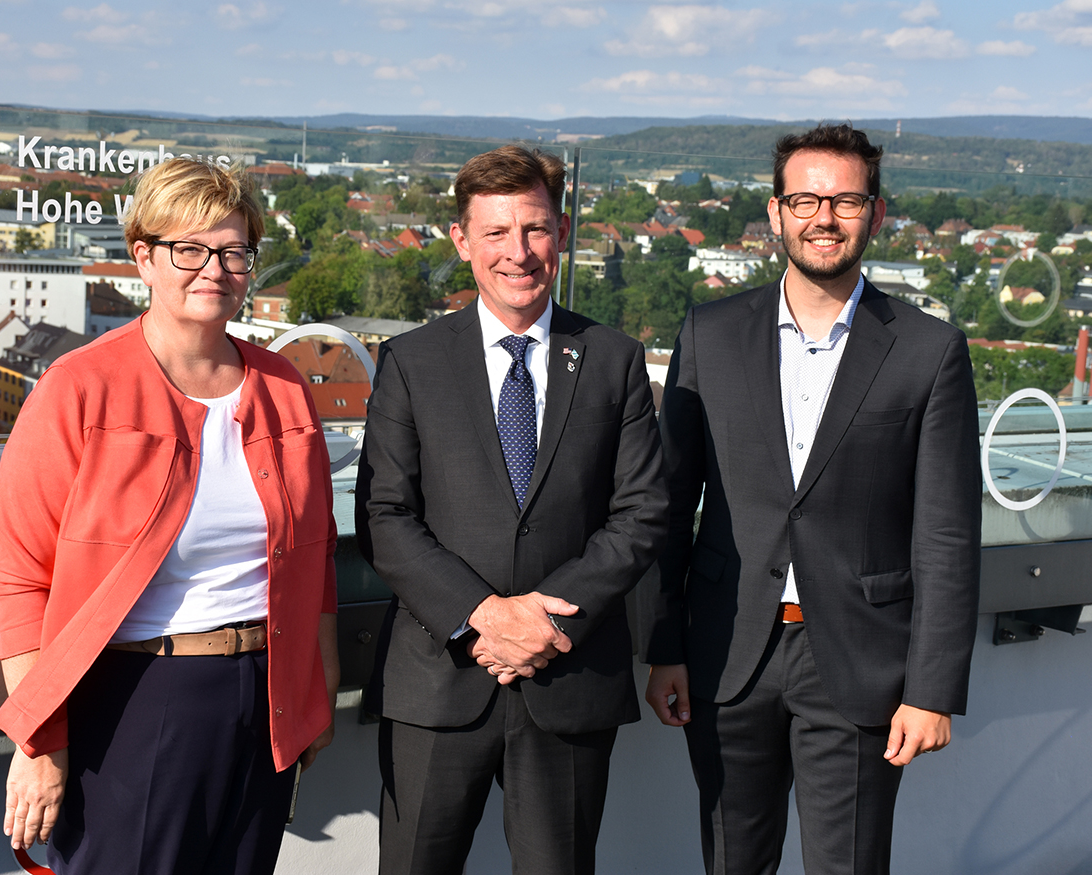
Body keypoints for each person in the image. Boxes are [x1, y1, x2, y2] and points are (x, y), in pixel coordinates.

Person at [638, 123, 981, 875]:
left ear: (876, 214)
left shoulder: (929, 350)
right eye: (805, 198)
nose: (823, 216)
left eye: (845, 199)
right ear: (774, 213)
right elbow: (667, 504)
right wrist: (663, 645)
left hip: (860, 664)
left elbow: (947, 535)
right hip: (729, 654)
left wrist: (932, 689)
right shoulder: (712, 332)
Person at [0, 157, 340, 875]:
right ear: (143, 258)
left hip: (266, 700)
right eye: (189, 249)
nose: (214, 268)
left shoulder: (284, 388)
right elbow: (22, 578)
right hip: (136, 702)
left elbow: (315, 554)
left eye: (234, 250)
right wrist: (39, 741)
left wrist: (318, 690)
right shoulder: (79, 387)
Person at [355, 144, 667, 875]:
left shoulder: (614, 359)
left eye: (533, 229)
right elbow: (386, 516)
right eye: (496, 232)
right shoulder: (411, 360)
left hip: (567, 680)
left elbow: (643, 513)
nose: (517, 252)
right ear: (462, 240)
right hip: (438, 678)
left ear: (560, 232)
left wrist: (543, 621)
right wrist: (487, 615)